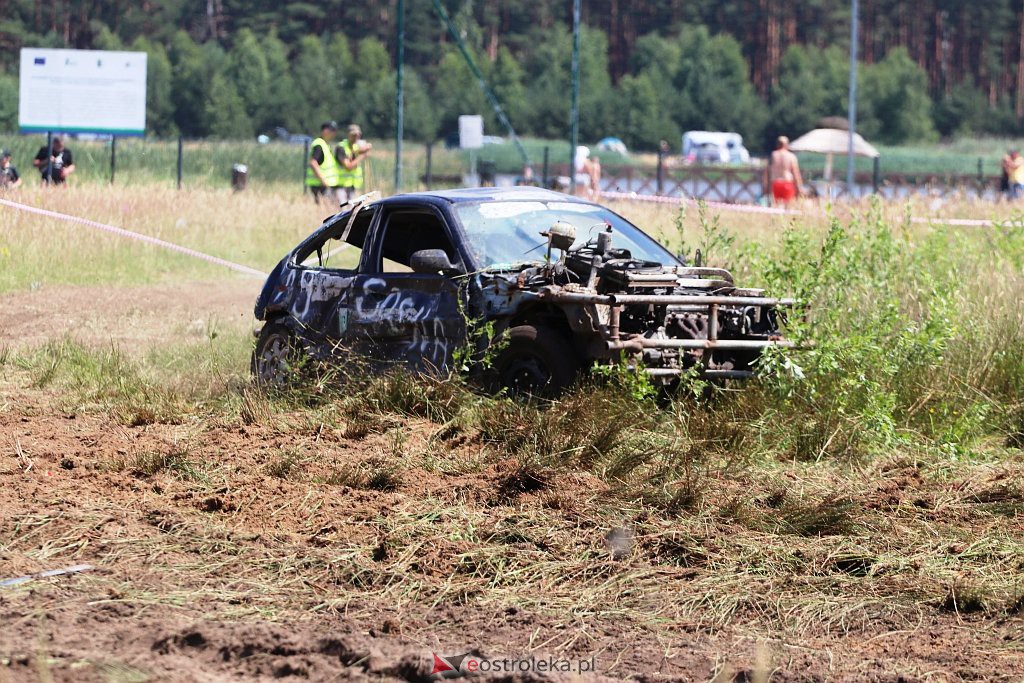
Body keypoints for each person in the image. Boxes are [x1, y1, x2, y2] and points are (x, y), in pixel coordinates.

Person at [306, 121, 342, 205]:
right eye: (332, 131)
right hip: (320, 185)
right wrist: (324, 181)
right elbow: (313, 163)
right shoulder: (319, 144)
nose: (334, 133)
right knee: (327, 209)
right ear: (325, 131)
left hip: (324, 185)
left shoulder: (325, 144)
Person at [336, 124, 372, 201]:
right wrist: (362, 156)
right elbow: (348, 167)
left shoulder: (355, 146)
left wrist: (367, 146)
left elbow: (361, 148)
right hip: (341, 185)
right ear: (348, 135)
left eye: (358, 135)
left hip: (352, 185)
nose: (356, 137)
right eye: (354, 135)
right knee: (343, 207)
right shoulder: (341, 147)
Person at [767, 135, 803, 205]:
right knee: (788, 205)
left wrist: (767, 188)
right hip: (787, 183)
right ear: (786, 145)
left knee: (777, 205)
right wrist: (799, 187)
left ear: (777, 144)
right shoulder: (791, 156)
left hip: (776, 183)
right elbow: (795, 172)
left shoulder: (773, 155)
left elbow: (767, 172)